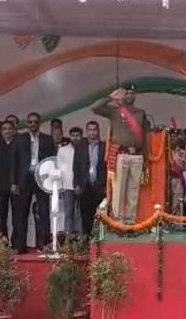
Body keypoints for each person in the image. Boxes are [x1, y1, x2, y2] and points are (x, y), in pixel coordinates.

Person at [91, 86, 150, 223]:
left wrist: (146, 157)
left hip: (137, 155)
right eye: (126, 93)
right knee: (119, 189)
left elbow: (145, 135)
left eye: (131, 93)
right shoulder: (114, 111)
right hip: (121, 155)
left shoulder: (141, 113)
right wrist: (110, 97)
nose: (129, 95)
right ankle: (117, 221)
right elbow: (95, 108)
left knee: (133, 190)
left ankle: (130, 221)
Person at [10, 112, 56, 253]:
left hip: (41, 178)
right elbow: (14, 161)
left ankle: (44, 244)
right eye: (30, 122)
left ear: (39, 123)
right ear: (27, 123)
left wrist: (50, 181)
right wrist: (13, 182)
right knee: (21, 213)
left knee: (44, 212)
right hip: (24, 178)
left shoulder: (47, 139)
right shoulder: (20, 138)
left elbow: (52, 160)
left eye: (35, 122)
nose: (33, 124)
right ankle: (20, 245)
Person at [73, 121, 106, 236]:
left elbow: (108, 167)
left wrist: (107, 186)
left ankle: (99, 240)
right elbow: (76, 167)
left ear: (98, 131)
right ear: (87, 132)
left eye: (94, 130)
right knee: (85, 215)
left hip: (99, 185)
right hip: (85, 185)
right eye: (90, 130)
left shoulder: (104, 146)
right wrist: (76, 184)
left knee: (100, 215)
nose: (92, 132)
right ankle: (87, 240)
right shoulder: (80, 147)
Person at [56, 137, 78, 234]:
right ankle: (68, 236)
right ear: (70, 136)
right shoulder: (62, 150)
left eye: (78, 135)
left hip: (82, 184)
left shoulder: (84, 148)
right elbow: (59, 168)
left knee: (81, 213)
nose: (75, 138)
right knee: (68, 212)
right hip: (67, 184)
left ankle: (82, 237)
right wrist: (60, 186)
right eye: (73, 135)